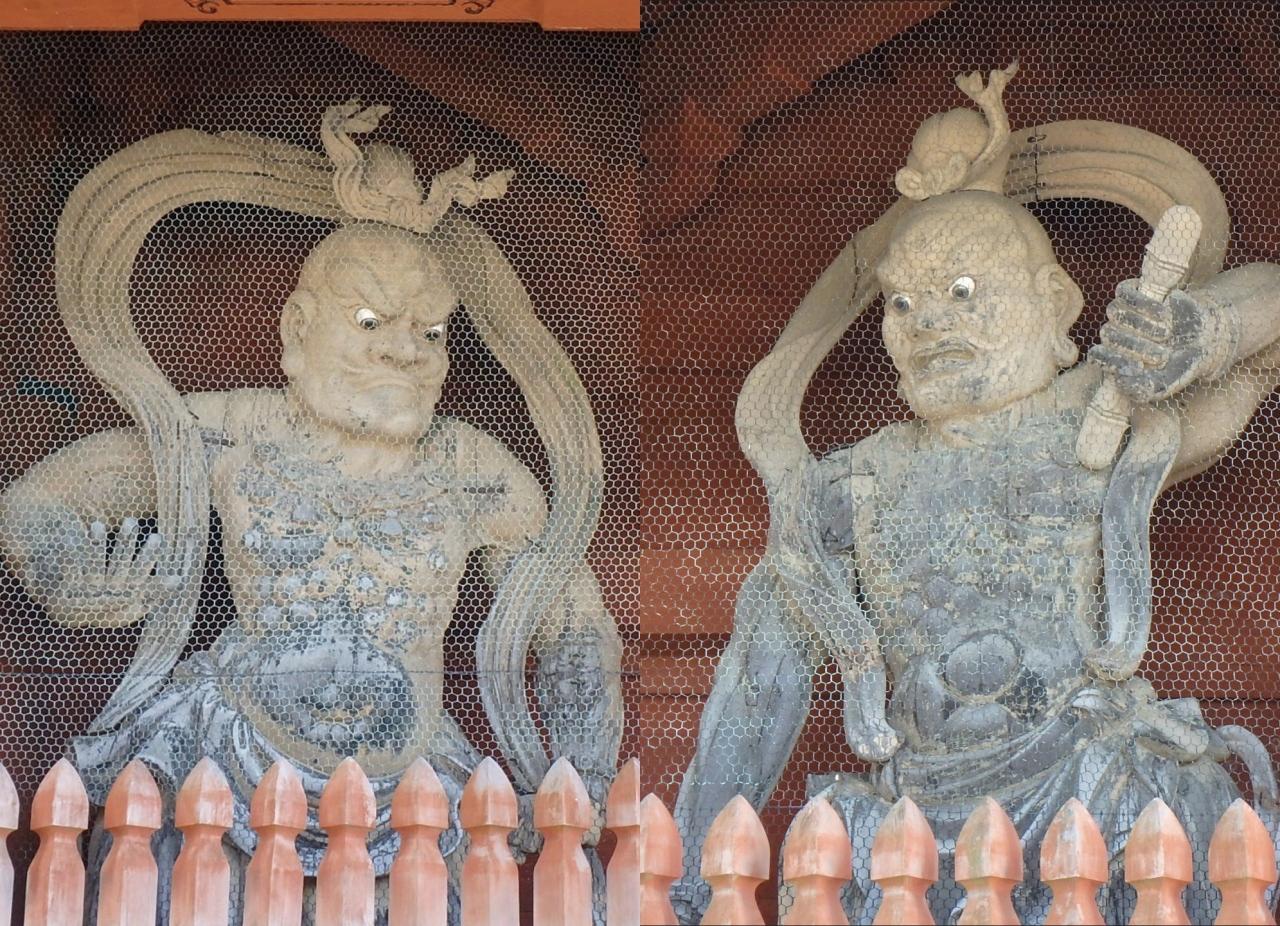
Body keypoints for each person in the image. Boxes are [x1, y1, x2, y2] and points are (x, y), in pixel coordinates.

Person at [674, 66, 1280, 923]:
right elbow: (757, 684)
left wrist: (1199, 333)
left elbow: (1265, 330)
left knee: (1175, 809)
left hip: (1088, 783)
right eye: (903, 304)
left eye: (963, 293)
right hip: (916, 811)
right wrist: (693, 880)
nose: (929, 324)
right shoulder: (856, 482)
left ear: (1056, 303)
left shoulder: (1090, 422)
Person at [0, 105, 621, 922]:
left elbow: (572, 621)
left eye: (432, 333)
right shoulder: (232, 433)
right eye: (370, 323)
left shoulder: (474, 471)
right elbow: (35, 501)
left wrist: (585, 766)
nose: (404, 351)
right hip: (224, 764)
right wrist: (67, 574)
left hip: (416, 792)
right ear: (298, 330)